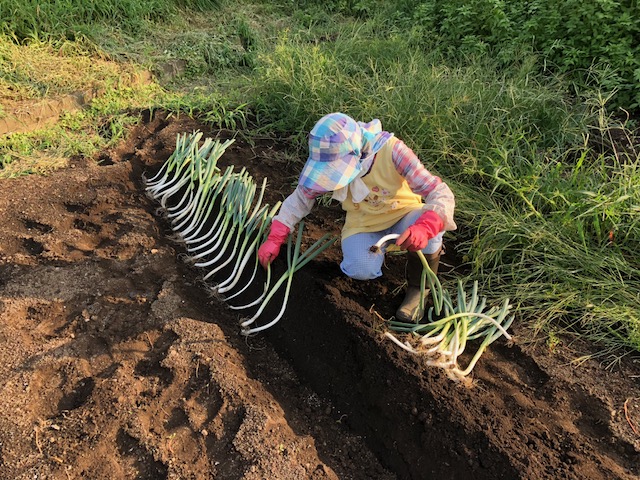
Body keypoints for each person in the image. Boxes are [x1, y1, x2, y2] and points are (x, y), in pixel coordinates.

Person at [257, 112, 456, 322]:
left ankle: (419, 288)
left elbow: (440, 193)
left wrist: (425, 227)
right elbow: (300, 198)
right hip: (364, 222)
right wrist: (275, 237)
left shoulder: (392, 151)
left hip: (404, 215)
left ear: (355, 153)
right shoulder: (330, 152)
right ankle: (377, 255)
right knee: (360, 269)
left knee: (433, 224)